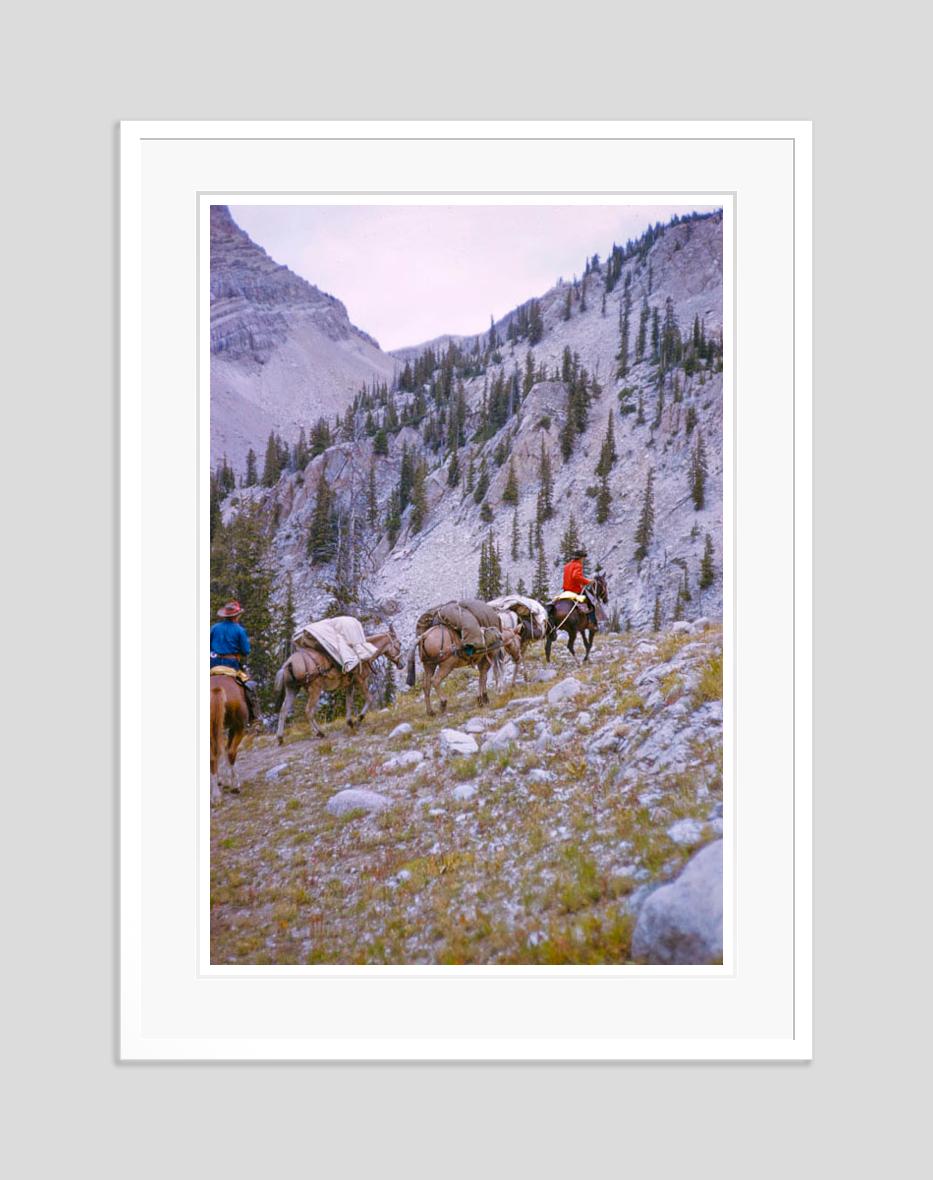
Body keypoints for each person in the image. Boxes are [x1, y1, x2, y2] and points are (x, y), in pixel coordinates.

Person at [210, 600, 260, 723]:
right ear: (237, 616)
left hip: (213, 664)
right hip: (231, 665)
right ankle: (254, 717)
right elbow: (246, 650)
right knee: (249, 686)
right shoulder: (239, 630)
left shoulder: (214, 628)